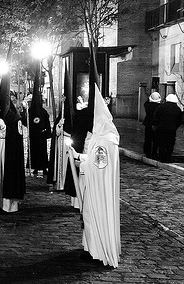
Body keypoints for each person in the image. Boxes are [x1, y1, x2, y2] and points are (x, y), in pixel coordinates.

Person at [69, 84, 121, 268]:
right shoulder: (105, 137)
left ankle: (97, 251)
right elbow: (95, 160)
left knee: (92, 216)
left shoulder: (104, 140)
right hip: (99, 187)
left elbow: (98, 166)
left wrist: (80, 162)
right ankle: (90, 247)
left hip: (99, 190)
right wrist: (81, 156)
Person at [152, 93, 182, 163]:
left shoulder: (161, 107)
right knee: (170, 143)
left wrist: (155, 125)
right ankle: (168, 156)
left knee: (162, 142)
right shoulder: (177, 109)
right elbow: (179, 120)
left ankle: (162, 156)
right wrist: (175, 126)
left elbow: (156, 116)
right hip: (172, 129)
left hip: (161, 128)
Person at [143, 92, 161, 159]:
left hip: (148, 123)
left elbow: (146, 102)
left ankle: (147, 152)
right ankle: (154, 152)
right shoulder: (160, 106)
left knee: (148, 138)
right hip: (156, 124)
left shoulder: (147, 105)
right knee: (156, 139)